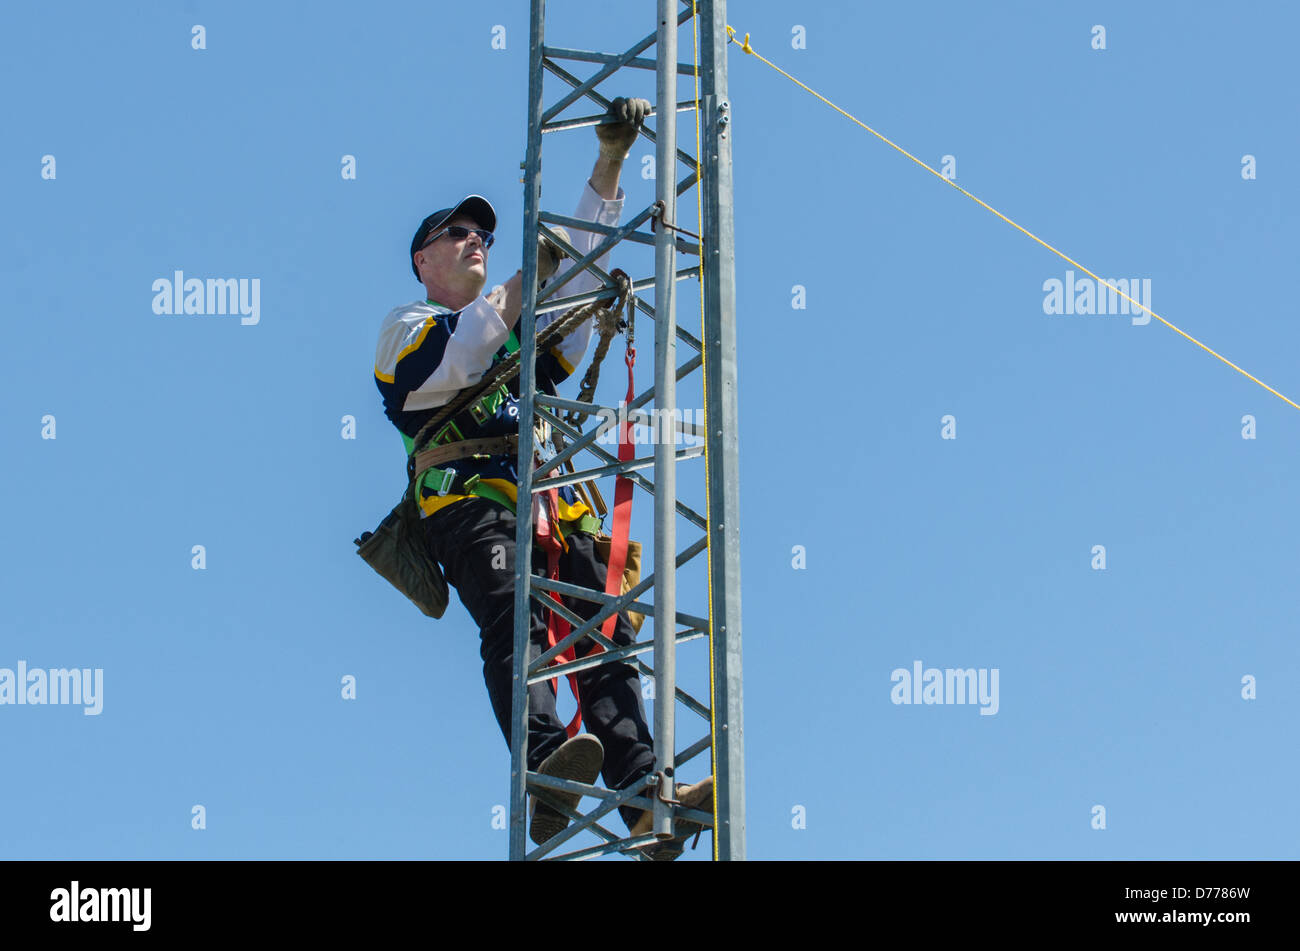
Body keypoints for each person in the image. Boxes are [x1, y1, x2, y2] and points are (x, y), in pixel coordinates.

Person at [372, 97, 710, 858]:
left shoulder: (509, 323)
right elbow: (461, 355)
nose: (474, 241)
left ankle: (647, 802)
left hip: (550, 506)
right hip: (468, 503)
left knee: (604, 645)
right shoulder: (407, 330)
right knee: (511, 617)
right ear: (423, 261)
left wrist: (609, 166)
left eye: (482, 235)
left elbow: (572, 287)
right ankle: (543, 761)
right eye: (456, 234)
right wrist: (528, 284)